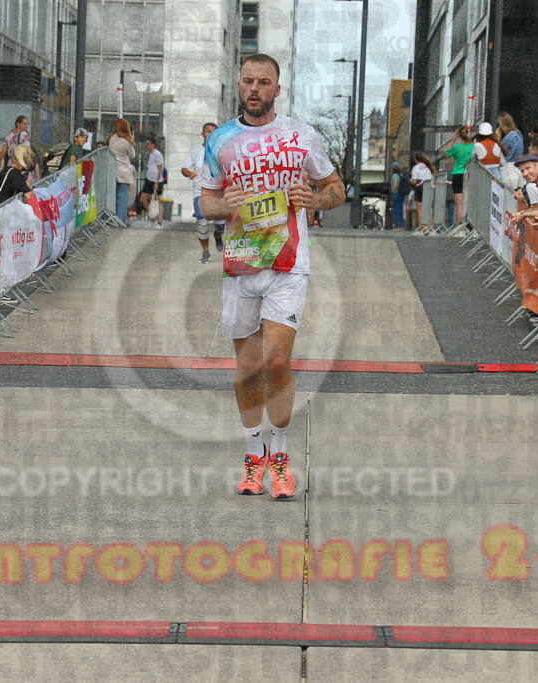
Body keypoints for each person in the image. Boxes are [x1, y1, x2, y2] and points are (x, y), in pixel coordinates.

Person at [199, 53, 345, 499]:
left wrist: (316, 201)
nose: (256, 88)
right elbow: (206, 204)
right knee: (247, 368)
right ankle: (252, 457)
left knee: (276, 361)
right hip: (242, 263)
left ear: (277, 90)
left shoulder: (301, 136)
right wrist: (227, 205)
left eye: (265, 82)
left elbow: (336, 188)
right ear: (238, 86)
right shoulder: (220, 140)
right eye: (248, 81)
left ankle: (279, 456)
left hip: (288, 263)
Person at [182, 122, 221, 262]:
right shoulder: (196, 150)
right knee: (202, 225)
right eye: (207, 131)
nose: (210, 134)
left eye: (213, 132)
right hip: (199, 191)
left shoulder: (222, 151)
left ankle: (218, 235)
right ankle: (205, 252)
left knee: (221, 225)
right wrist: (189, 174)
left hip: (217, 192)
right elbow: (184, 168)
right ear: (203, 134)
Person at [108, 119, 137, 224]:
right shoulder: (126, 142)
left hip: (112, 171)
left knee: (112, 197)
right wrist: (132, 140)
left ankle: (111, 218)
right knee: (122, 197)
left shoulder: (111, 139)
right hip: (124, 172)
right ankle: (121, 220)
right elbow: (132, 155)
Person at [445, 127, 473, 225]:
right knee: (470, 203)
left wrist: (453, 139)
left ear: (459, 136)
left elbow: (446, 152)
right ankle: (471, 226)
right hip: (469, 176)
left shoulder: (457, 148)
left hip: (457, 175)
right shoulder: (473, 147)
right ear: (468, 134)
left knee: (459, 204)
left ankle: (461, 228)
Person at [138, 137, 164, 223]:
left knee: (157, 201)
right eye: (146, 144)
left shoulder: (157, 154)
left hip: (156, 181)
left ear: (153, 144)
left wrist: (157, 182)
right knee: (142, 199)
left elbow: (160, 169)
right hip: (149, 179)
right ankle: (152, 213)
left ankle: (159, 221)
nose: (146, 145)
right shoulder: (149, 154)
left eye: (148, 144)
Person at [410, 152, 435, 230]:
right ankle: (431, 228)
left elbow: (414, 181)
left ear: (415, 159)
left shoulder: (416, 167)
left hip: (420, 188)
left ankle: (422, 228)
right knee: (428, 209)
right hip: (428, 188)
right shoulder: (428, 167)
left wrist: (410, 181)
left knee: (420, 210)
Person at [389, 162, 408, 229]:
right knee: (401, 210)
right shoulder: (401, 175)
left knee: (396, 210)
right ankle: (401, 226)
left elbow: (395, 184)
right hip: (402, 194)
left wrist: (392, 191)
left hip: (396, 194)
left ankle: (397, 226)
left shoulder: (395, 175)